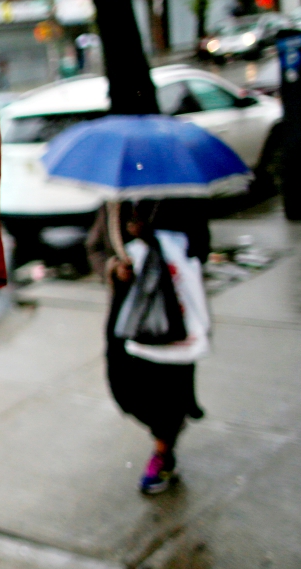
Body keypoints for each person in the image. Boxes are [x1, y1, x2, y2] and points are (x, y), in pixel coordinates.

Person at [86, 199, 210, 495]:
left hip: (169, 310)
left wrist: (151, 239)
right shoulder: (114, 202)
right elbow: (95, 248)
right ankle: (170, 424)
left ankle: (163, 450)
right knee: (123, 386)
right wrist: (114, 269)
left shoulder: (177, 199)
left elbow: (200, 248)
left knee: (168, 384)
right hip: (125, 311)